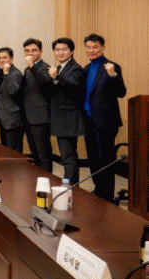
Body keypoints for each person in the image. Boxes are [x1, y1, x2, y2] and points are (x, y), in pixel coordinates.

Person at [82, 34, 126, 202]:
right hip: (88, 121)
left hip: (105, 122)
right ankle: (98, 192)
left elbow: (121, 92)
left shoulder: (111, 66)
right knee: (93, 160)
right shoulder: (86, 69)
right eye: (88, 47)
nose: (91, 50)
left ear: (103, 48)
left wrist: (113, 75)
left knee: (106, 161)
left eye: (95, 47)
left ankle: (107, 198)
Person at [49, 37, 86, 185]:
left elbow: (74, 86)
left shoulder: (75, 68)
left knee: (69, 157)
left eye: (64, 49)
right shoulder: (59, 68)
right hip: (60, 119)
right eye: (57, 50)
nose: (60, 52)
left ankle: (69, 187)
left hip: (68, 120)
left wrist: (57, 77)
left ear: (71, 51)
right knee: (67, 157)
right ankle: (70, 186)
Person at [22, 38, 53, 172]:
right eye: (27, 51)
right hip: (28, 118)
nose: (30, 53)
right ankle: (39, 180)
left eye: (34, 50)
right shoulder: (27, 69)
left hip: (40, 118)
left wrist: (32, 66)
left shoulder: (45, 67)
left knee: (43, 155)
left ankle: (47, 180)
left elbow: (45, 84)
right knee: (34, 153)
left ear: (40, 52)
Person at [0, 47, 24, 152]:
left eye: (4, 58)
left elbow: (13, 90)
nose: (1, 60)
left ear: (11, 59)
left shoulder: (15, 73)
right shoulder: (1, 72)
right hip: (5, 120)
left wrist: (6, 73)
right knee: (6, 150)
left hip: (13, 121)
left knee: (14, 152)